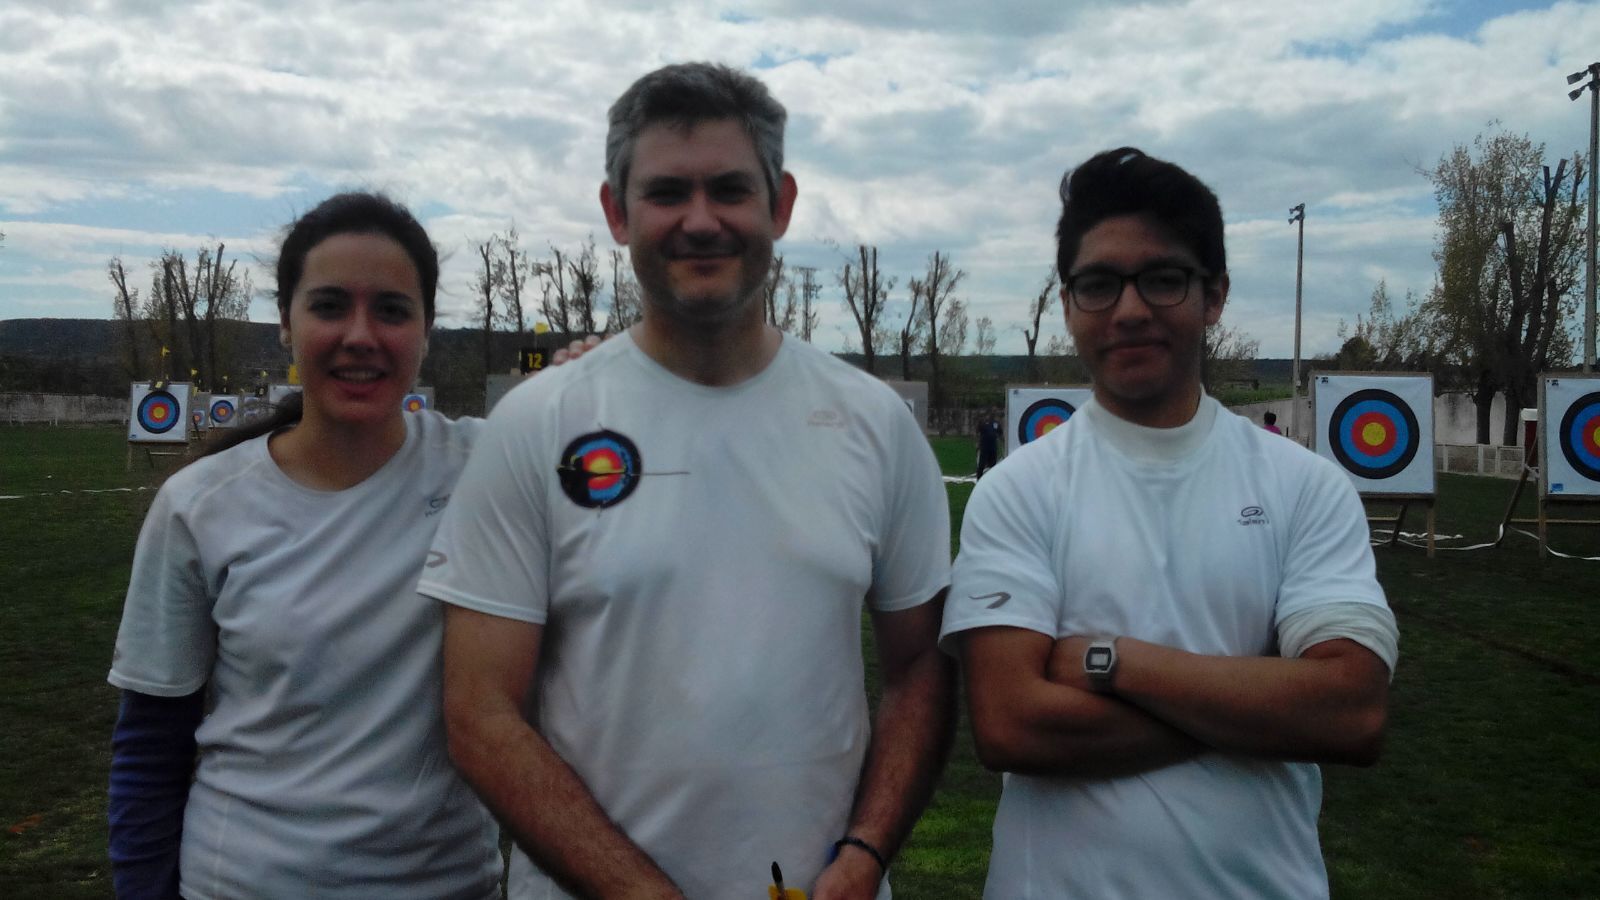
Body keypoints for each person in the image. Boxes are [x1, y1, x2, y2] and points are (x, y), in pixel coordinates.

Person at [421, 62, 955, 900]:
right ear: (616, 212)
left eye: (730, 191)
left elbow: (920, 668)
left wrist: (865, 853)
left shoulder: (873, 424)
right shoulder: (537, 424)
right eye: (667, 192)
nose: (701, 221)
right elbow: (481, 714)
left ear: (779, 204)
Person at [940, 148, 1398, 898]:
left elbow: (1351, 713)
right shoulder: (1018, 490)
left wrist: (1113, 663)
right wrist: (1259, 712)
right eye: (1098, 284)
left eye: (1162, 278)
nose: (1129, 310)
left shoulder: (1306, 485)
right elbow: (1011, 724)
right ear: (1067, 304)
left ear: (1213, 295)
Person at [107, 192, 499, 900]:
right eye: (328, 306)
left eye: (391, 309)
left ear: (426, 330)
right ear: (284, 323)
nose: (360, 334)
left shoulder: (491, 469)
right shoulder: (201, 505)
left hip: (447, 887)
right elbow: (148, 750)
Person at [975, 410, 1001, 479]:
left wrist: (1000, 441)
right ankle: (979, 478)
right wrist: (977, 443)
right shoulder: (982, 423)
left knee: (993, 465)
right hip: (984, 447)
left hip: (993, 447)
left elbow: (1000, 433)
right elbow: (977, 433)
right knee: (982, 464)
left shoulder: (996, 423)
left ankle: (991, 478)